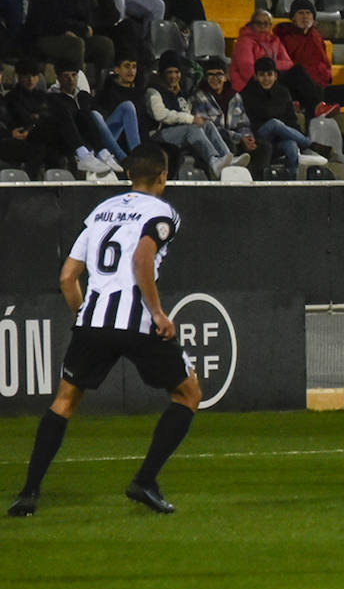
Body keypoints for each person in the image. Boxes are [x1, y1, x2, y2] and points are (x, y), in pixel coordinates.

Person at [8, 144, 202, 517]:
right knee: (187, 392)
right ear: (163, 175)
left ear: (129, 175)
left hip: (92, 321)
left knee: (64, 402)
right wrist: (159, 313)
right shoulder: (163, 213)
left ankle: (28, 494)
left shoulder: (100, 212)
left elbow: (68, 276)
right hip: (137, 321)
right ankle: (145, 481)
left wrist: (84, 316)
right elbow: (142, 256)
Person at [146, 52, 241, 179]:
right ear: (162, 73)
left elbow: (186, 113)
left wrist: (195, 119)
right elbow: (160, 115)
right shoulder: (153, 91)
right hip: (159, 135)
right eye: (170, 72)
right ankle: (213, 161)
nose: (174, 76)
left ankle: (227, 157)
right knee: (193, 128)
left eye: (177, 72)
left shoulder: (179, 93)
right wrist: (191, 119)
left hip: (179, 132)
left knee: (207, 124)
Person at [24, 0, 116, 73]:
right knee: (76, 44)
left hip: (75, 34)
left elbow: (94, 15)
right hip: (46, 37)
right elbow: (51, 22)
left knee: (105, 44)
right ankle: (76, 86)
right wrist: (80, 30)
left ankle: (102, 87)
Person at [240, 56, 330, 178]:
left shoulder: (283, 92)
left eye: (269, 74)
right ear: (255, 77)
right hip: (258, 136)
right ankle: (310, 145)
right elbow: (247, 123)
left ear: (275, 76)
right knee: (274, 123)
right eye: (262, 75)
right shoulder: (247, 94)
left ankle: (292, 181)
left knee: (291, 145)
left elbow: (291, 119)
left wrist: (294, 133)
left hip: (279, 137)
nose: (266, 78)